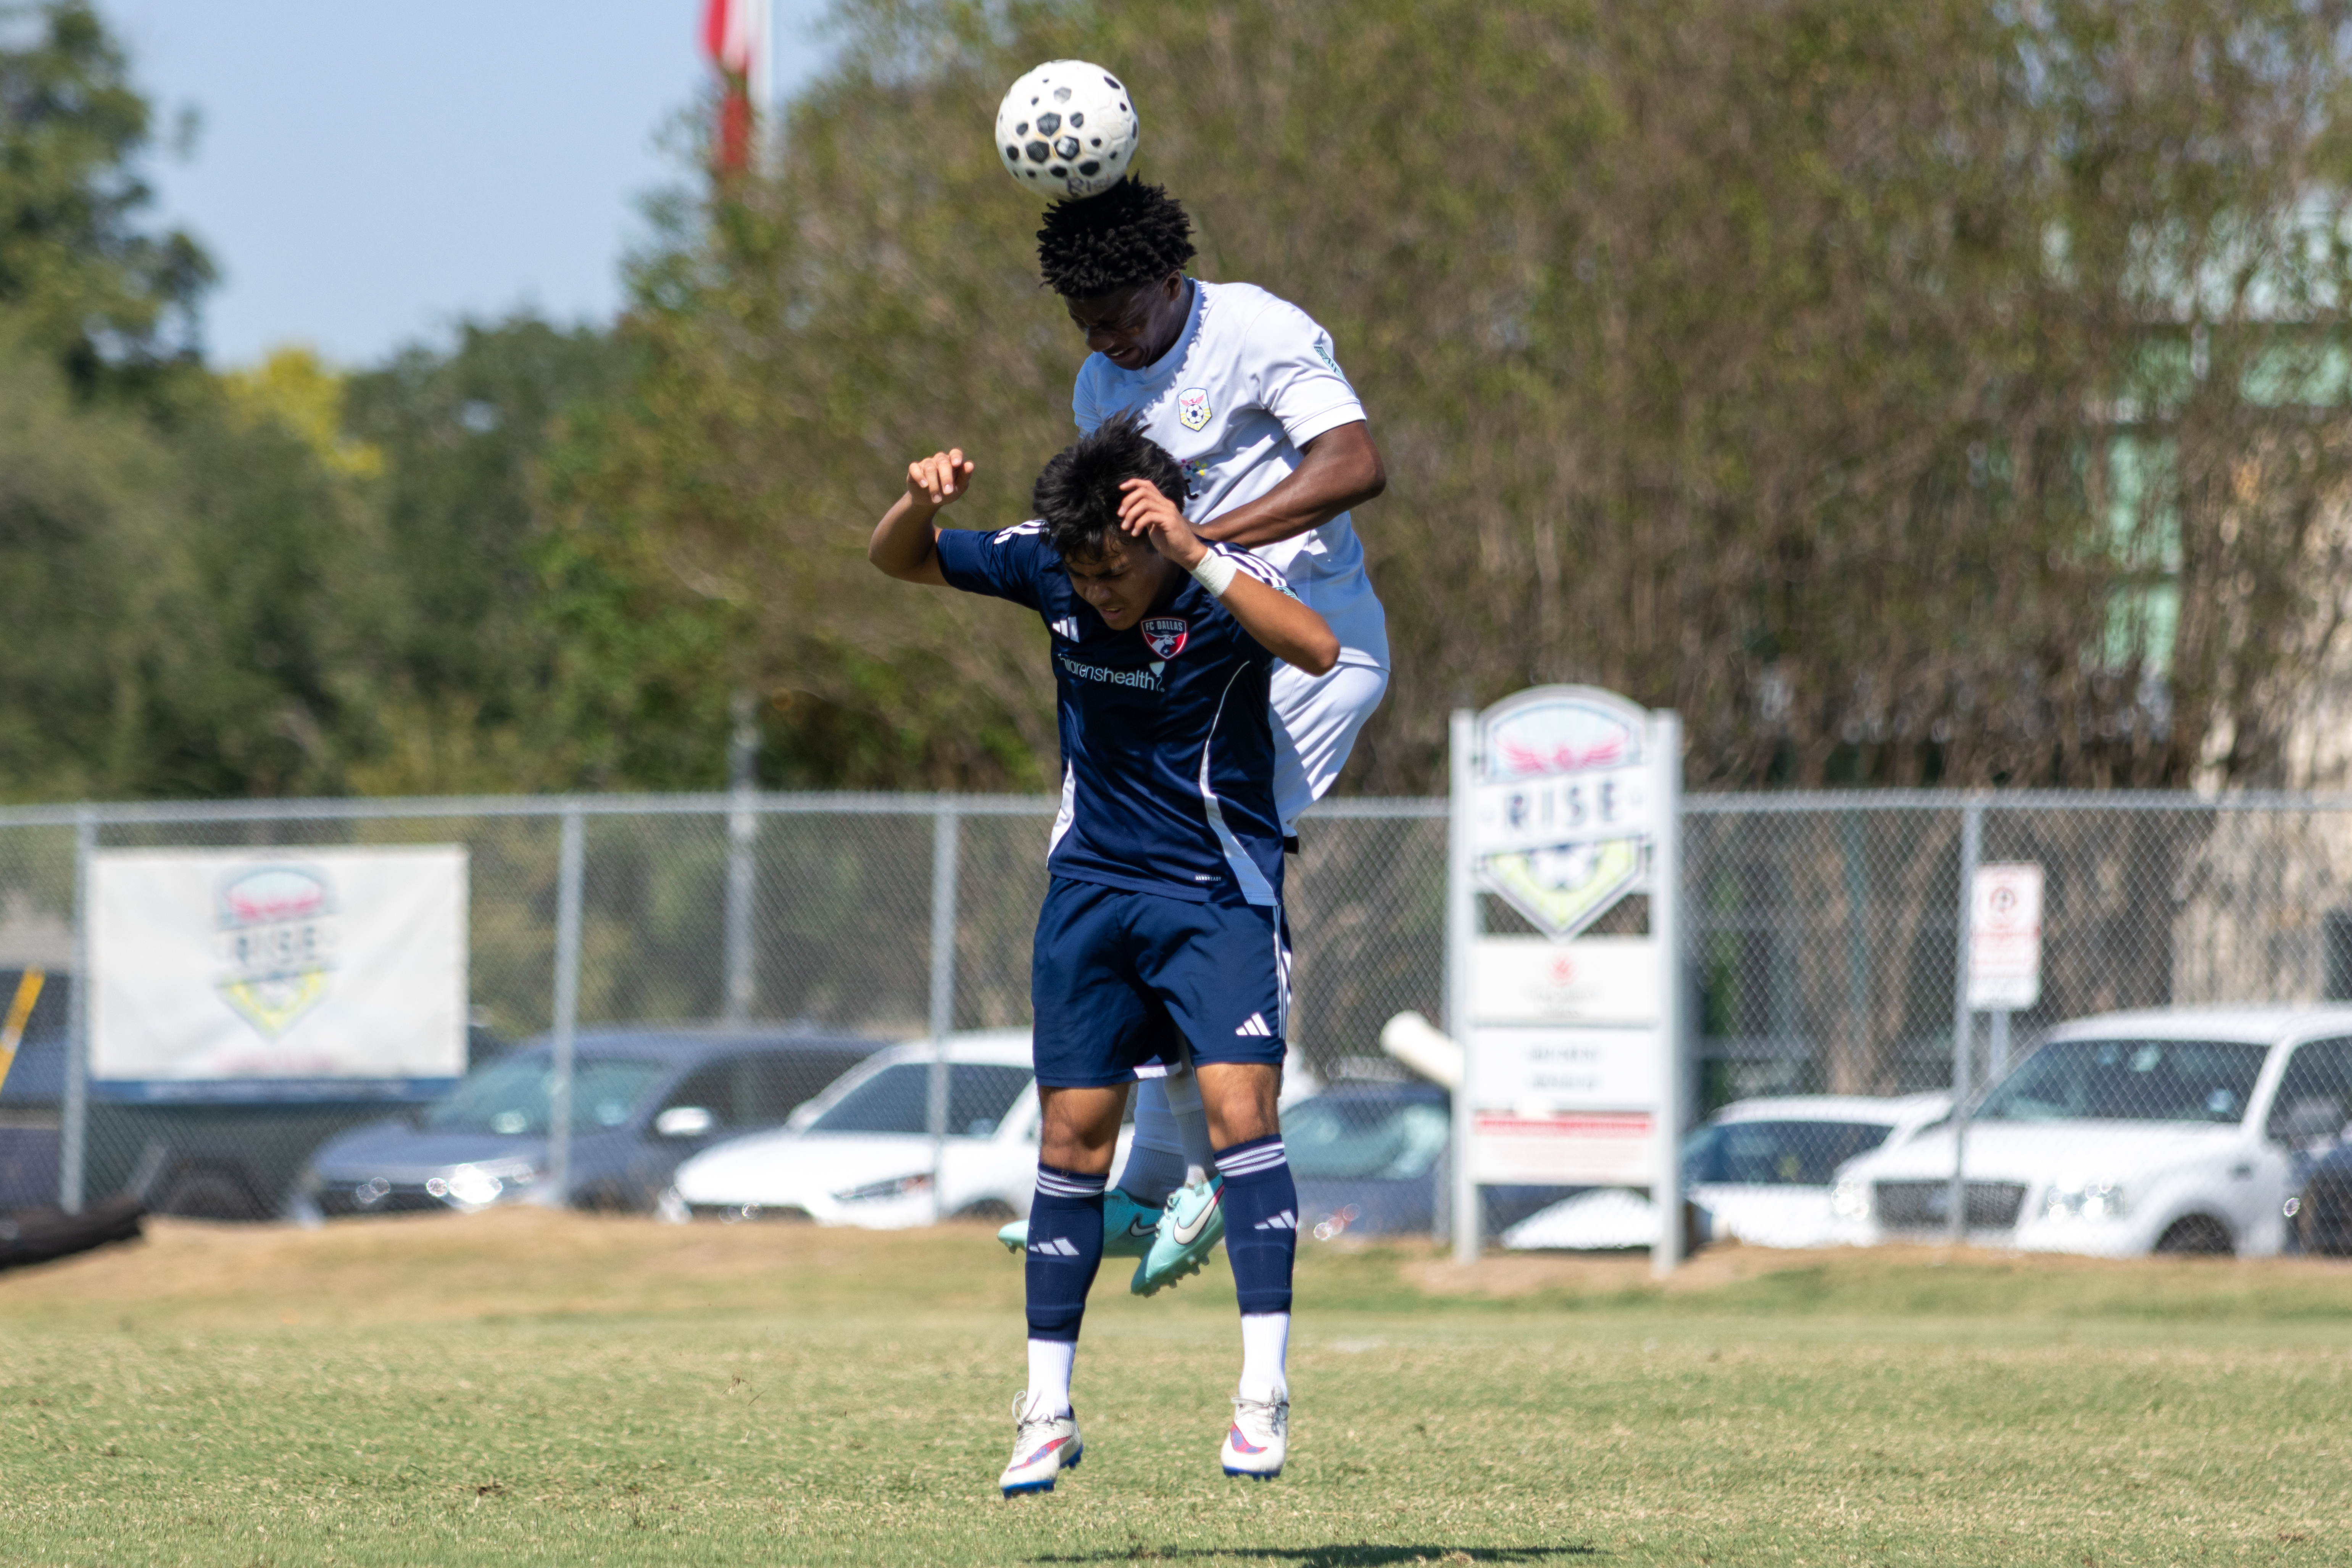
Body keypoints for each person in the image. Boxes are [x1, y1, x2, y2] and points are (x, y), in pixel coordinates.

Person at [866, 417, 1337, 1493]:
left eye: (1116, 571)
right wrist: (920, 503)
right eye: (1080, 575)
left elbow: (1315, 649)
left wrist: (1195, 552)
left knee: (1240, 1123)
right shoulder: (1051, 560)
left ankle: (1260, 1397)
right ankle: (1043, 1410)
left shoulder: (1208, 574)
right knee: (1071, 1144)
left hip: (1216, 896)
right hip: (1088, 898)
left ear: (1154, 537)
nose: (1097, 593)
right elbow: (899, 559)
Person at [999, 176, 1393, 1294]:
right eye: (1085, 326)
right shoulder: (1099, 384)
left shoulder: (1259, 330)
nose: (1105, 342)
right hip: (1199, 664)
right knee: (1111, 855)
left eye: (1120, 317)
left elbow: (1356, 463)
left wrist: (1195, 544)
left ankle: (1211, 1161)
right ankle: (1156, 1174)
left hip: (1313, 652)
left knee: (1195, 878)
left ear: (1170, 283)